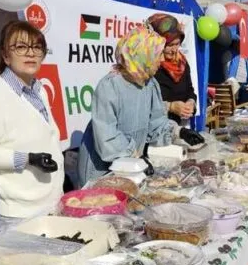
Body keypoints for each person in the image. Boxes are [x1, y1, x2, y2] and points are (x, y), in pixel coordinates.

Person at [0, 21, 63, 231]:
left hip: (49, 202)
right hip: (20, 213)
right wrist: (26, 159)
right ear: (5, 55)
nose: (31, 53)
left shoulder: (39, 89)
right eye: (20, 47)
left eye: (37, 47)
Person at [77, 26, 205, 187]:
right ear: (142, 56)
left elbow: (156, 123)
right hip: (102, 167)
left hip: (131, 166)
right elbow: (107, 137)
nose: (162, 60)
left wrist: (179, 132)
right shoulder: (110, 86)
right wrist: (134, 156)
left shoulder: (149, 84)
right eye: (157, 56)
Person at [149, 13, 197, 124]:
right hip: (156, 128)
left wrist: (191, 103)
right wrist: (170, 107)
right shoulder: (150, 67)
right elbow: (143, 102)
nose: (175, 50)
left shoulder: (182, 63)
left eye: (178, 44)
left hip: (180, 128)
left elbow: (190, 90)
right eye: (170, 45)